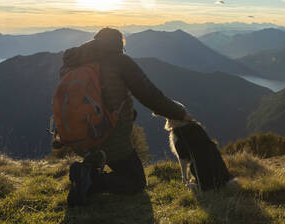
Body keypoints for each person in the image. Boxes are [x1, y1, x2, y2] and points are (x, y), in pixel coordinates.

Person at [60, 27, 192, 207]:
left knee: (112, 149)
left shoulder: (73, 63)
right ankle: (92, 180)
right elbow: (151, 96)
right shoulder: (120, 62)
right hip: (109, 138)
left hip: (78, 137)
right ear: (118, 43)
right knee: (136, 182)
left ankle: (89, 166)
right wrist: (180, 113)